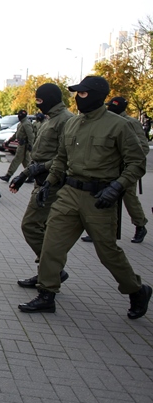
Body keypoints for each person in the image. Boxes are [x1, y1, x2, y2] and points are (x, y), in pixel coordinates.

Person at [19, 76, 151, 318]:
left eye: (83, 93)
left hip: (99, 197)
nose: (78, 98)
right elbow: (60, 159)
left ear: (97, 95)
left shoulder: (119, 125)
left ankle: (136, 289)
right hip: (69, 193)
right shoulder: (73, 124)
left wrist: (116, 187)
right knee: (51, 245)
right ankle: (47, 293)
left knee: (107, 252)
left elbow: (137, 162)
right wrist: (48, 184)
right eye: (76, 94)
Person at [8, 84, 74, 287]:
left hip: (53, 182)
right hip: (42, 179)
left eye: (40, 100)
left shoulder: (65, 120)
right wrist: (24, 174)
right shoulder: (51, 119)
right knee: (40, 228)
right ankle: (49, 271)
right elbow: (40, 154)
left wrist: (39, 169)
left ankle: (51, 271)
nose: (38, 105)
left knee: (31, 225)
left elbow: (65, 157)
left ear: (51, 99)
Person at [104, 96, 147, 243]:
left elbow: (143, 147)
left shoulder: (131, 122)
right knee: (105, 198)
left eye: (112, 106)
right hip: (109, 167)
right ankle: (101, 230)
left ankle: (140, 225)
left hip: (125, 169)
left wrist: (128, 160)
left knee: (129, 199)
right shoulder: (107, 121)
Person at [0, 110, 35, 182]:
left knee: (16, 160)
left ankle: (8, 175)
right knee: (26, 162)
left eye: (19, 115)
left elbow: (31, 135)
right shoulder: (21, 123)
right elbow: (16, 134)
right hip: (21, 144)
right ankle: (32, 175)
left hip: (24, 145)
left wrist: (30, 145)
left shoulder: (26, 124)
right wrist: (9, 141)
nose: (18, 116)